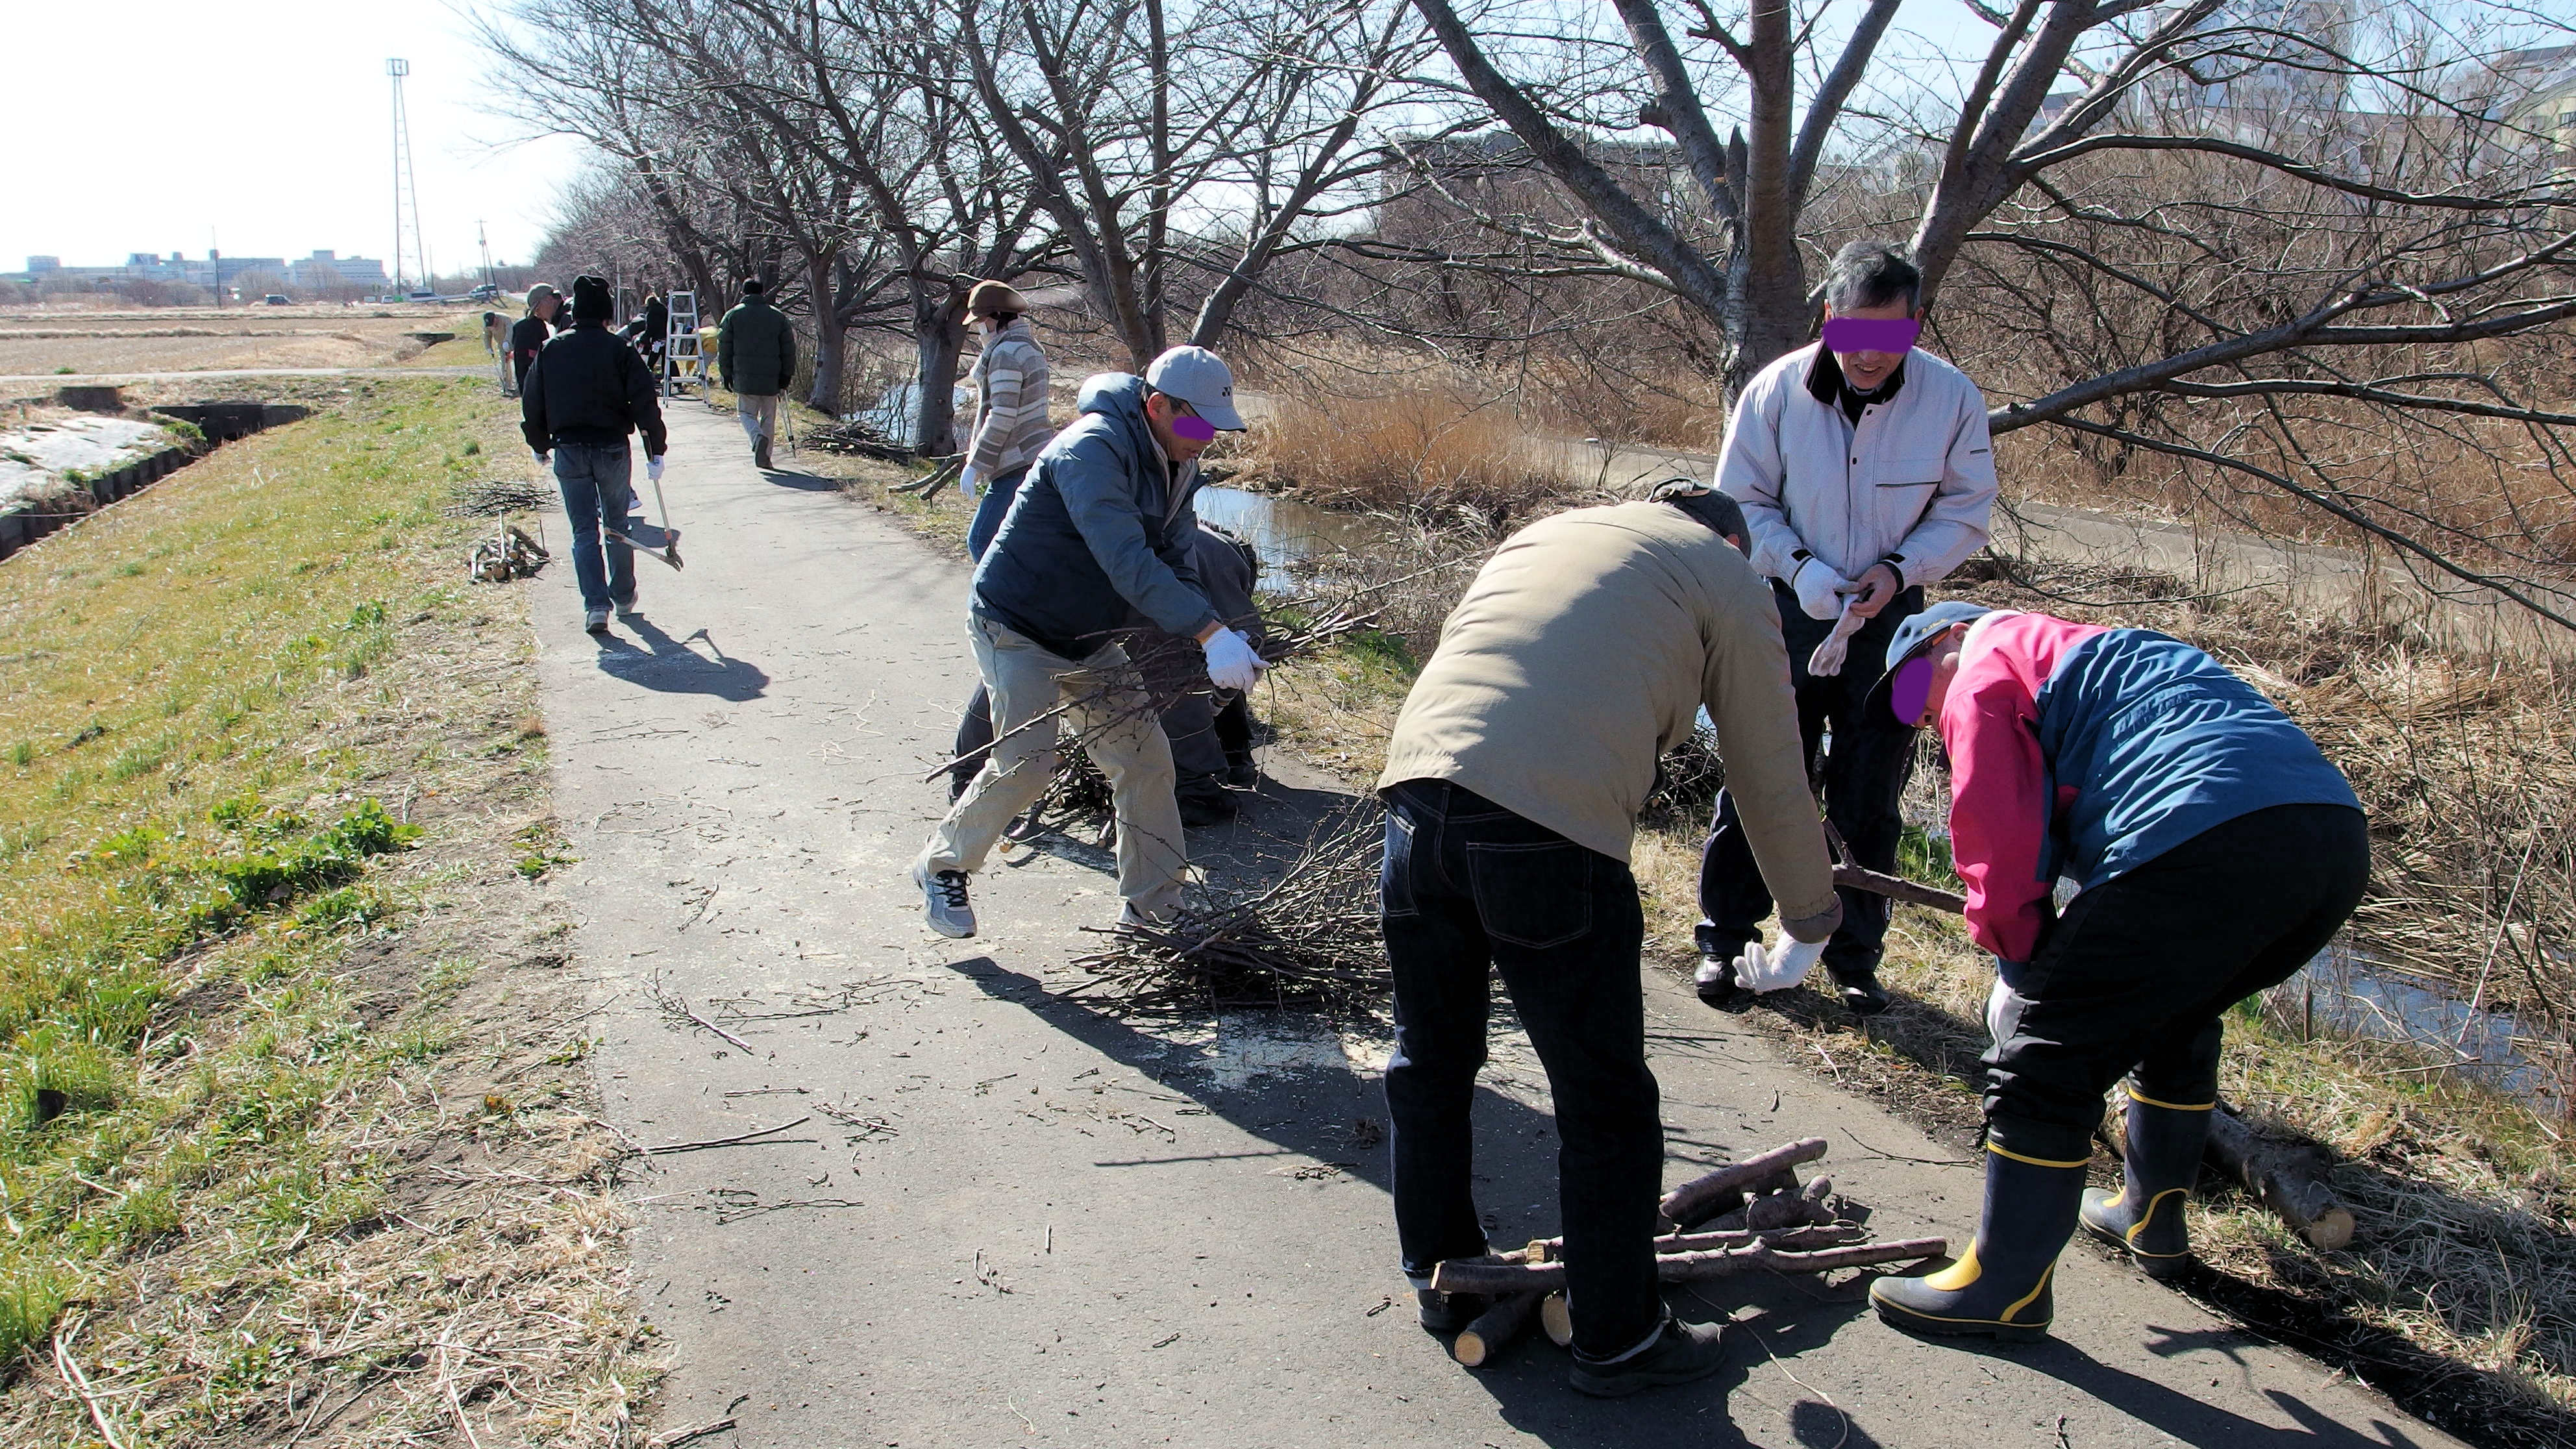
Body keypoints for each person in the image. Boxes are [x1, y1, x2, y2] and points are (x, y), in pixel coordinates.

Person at [1374, 486, 1841, 1398]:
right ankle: (1618, 1337)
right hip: (1545, 833)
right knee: (1606, 1104)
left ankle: (1442, 1276)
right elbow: (1767, 763)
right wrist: (1807, 919)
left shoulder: (1545, 533)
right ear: (1735, 541)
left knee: (1429, 1061)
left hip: (1414, 801)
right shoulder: (1728, 574)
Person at [1863, 604, 2366, 1343]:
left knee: (2043, 1064)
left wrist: (2021, 974)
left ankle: (2001, 1289)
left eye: (1911, 693)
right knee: (2172, 1013)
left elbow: (1996, 844)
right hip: (2326, 839)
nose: (1918, 716)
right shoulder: (2107, 652)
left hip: (2200, 832)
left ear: (1948, 637)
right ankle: (2149, 1218)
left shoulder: (1982, 667)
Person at [1695, 239, 2000, 1017]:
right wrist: (1799, 568)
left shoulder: (1951, 398)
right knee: (1764, 777)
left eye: (1888, 336)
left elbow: (1966, 511)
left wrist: (1898, 569)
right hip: (1782, 609)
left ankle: (1853, 958)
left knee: (1870, 795)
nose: (1867, 354)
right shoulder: (1773, 393)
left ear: (1915, 325)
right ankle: (1725, 940)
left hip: (1892, 622)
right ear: (1828, 319)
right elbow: (1739, 504)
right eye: (1851, 333)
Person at [912, 346, 1263, 938]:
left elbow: (1175, 559)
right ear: (1158, 406)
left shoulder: (1178, 462)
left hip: (1089, 639)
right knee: (1027, 764)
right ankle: (941, 865)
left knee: (1147, 762)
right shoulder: (1091, 450)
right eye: (1199, 424)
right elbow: (1125, 559)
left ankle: (1152, 906)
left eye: (1215, 428)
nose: (1208, 439)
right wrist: (1209, 630)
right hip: (1017, 625)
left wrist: (1214, 633)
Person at [944, 520, 1264, 827]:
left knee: (1018, 665)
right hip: (1102, 581)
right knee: (1170, 674)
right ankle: (1197, 787)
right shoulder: (1224, 559)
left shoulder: (1203, 544)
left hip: (1084, 574)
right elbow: (1244, 653)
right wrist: (1216, 705)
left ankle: (968, 769)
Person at [521, 275, 669, 636]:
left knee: (584, 530)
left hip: (569, 450)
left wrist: (539, 444)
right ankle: (623, 596)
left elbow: (533, 401)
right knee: (617, 526)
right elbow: (644, 401)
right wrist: (655, 449)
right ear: (606, 314)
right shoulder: (620, 350)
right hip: (612, 448)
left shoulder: (552, 349)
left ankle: (595, 607)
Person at [956, 280, 1054, 561]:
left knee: (981, 541)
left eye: (982, 320)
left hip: (1014, 461)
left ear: (997, 317)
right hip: (1034, 458)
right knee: (1020, 549)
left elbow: (1001, 416)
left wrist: (976, 464)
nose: (979, 328)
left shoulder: (1005, 354)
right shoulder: (1029, 347)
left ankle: (996, 604)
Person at [717, 278, 797, 469]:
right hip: (772, 378)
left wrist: (726, 373)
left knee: (746, 413)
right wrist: (787, 375)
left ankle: (756, 436)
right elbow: (788, 349)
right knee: (769, 417)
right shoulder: (778, 317)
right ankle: (766, 457)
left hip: (744, 376)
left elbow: (724, 347)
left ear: (744, 293)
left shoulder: (732, 316)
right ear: (762, 293)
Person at [506, 284, 564, 397]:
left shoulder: (566, 319)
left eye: (538, 309)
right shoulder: (559, 320)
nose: (539, 315)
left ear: (548, 300)